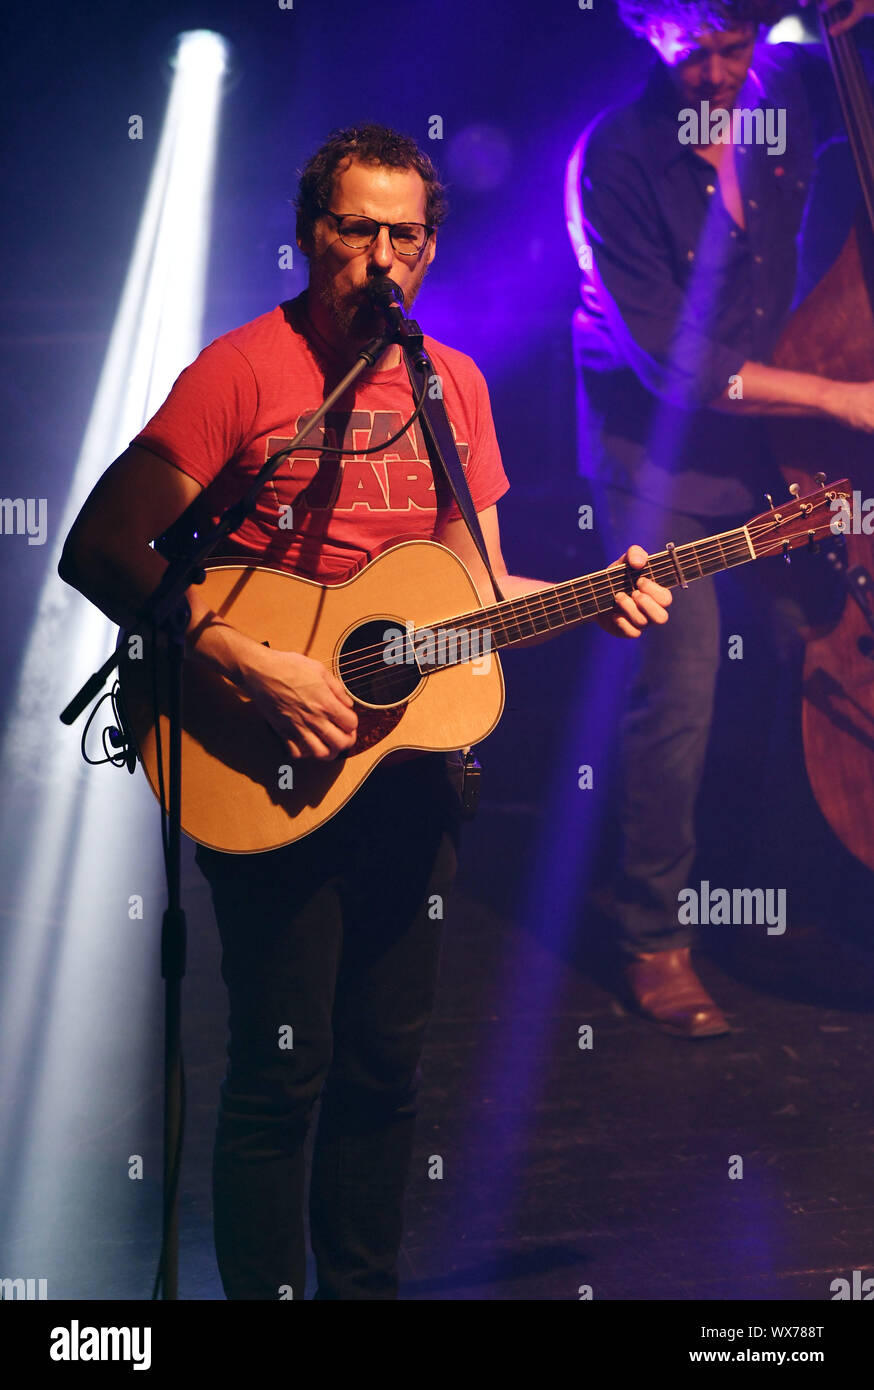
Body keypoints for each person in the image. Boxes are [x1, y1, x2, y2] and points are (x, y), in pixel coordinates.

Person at [59, 123, 672, 1299]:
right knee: (278, 1076)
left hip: (404, 764)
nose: (380, 256)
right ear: (308, 237)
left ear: (430, 250)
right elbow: (100, 547)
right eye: (356, 229)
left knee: (386, 1068)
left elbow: (476, 591)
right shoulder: (240, 372)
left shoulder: (454, 387)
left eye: (405, 233)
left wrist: (596, 597)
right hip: (254, 745)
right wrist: (247, 661)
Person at [566, 0, 874, 1037]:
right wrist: (841, 398)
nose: (716, 71)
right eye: (692, 51)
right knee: (683, 684)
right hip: (652, 458)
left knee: (802, 668)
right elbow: (679, 369)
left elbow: (821, 42)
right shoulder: (616, 156)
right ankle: (654, 936)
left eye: (731, 45)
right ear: (645, 34)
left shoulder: (779, 87)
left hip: (765, 450)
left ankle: (762, 905)